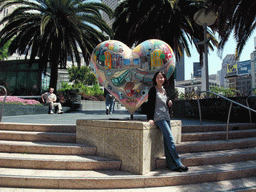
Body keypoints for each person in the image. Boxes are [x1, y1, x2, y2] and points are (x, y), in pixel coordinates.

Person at [147, 71, 188, 172]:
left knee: (167, 141)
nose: (160, 79)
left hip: (166, 117)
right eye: (158, 77)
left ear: (164, 79)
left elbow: (164, 102)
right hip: (159, 118)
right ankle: (178, 163)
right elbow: (150, 105)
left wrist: (169, 102)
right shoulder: (153, 90)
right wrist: (150, 118)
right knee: (170, 138)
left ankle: (172, 166)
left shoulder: (164, 90)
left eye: (162, 77)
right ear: (155, 79)